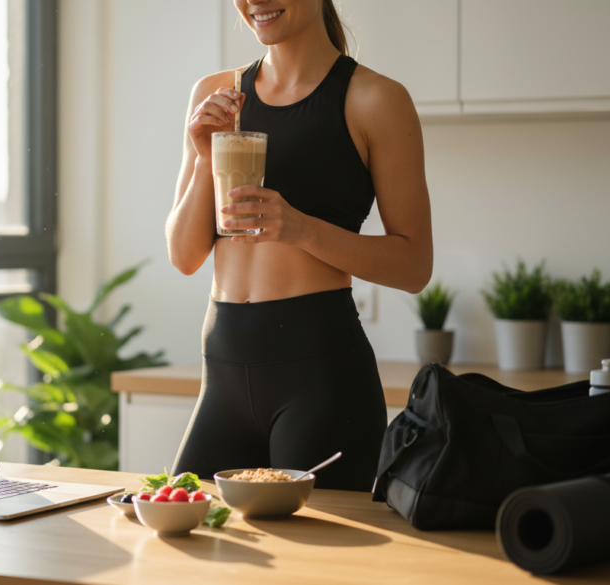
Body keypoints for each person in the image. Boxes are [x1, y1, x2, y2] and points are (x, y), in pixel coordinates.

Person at [165, 0, 433, 491]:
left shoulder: (375, 99)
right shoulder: (215, 95)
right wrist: (205, 157)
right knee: (184, 529)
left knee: (311, 544)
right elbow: (183, 256)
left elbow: (414, 265)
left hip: (321, 380)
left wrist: (300, 228)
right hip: (223, 374)